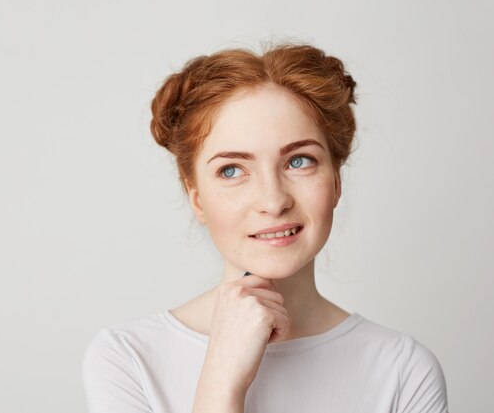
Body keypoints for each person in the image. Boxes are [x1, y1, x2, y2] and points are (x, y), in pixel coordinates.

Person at [81, 42, 449, 413]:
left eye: (299, 161)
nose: (273, 201)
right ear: (196, 198)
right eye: (231, 170)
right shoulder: (128, 360)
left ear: (336, 182)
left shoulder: (403, 371)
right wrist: (221, 379)